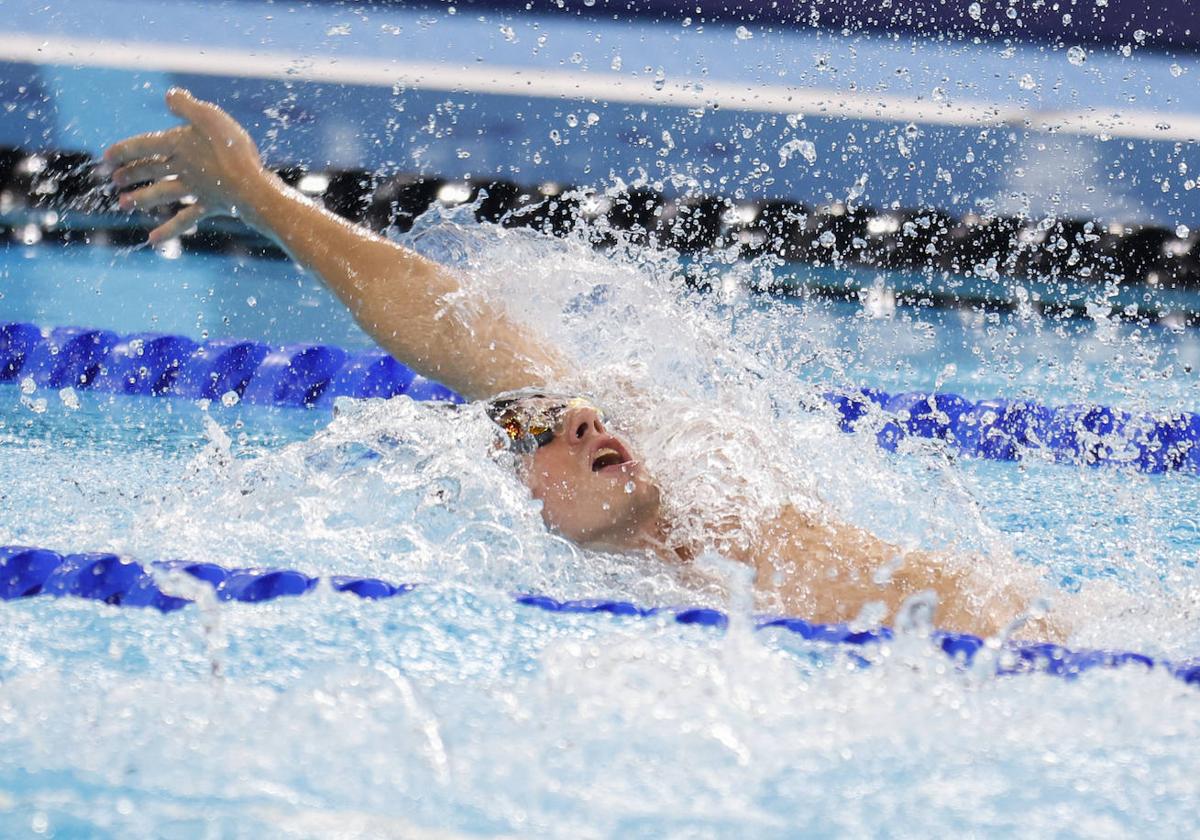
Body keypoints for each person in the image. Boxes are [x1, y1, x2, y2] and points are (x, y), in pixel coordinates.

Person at [104, 88, 1062, 641]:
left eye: (577, 417)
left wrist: (268, 200)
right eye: (543, 438)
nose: (584, 421)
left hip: (1062, 634)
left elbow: (456, 328)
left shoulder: (709, 485)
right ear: (525, 511)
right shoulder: (616, 614)